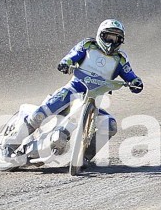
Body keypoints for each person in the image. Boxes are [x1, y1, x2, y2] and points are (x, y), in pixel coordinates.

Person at [22, 19, 143, 161]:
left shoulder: (121, 59)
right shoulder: (88, 45)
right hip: (72, 91)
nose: (111, 42)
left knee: (110, 124)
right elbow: (71, 56)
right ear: (101, 35)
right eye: (109, 37)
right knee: (39, 115)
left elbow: (131, 76)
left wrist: (136, 83)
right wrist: (65, 63)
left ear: (120, 40)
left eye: (116, 38)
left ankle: (85, 157)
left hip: (94, 101)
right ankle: (11, 144)